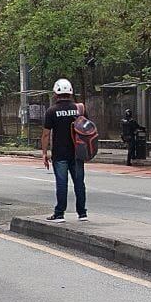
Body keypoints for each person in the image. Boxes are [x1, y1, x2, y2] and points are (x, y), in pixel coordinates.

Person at [42, 78, 87, 221]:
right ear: (71, 92)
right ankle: (82, 213)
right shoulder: (79, 109)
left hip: (60, 154)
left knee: (62, 184)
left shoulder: (52, 111)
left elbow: (46, 134)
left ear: (56, 93)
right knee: (79, 183)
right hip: (78, 153)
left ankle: (60, 213)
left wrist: (44, 153)